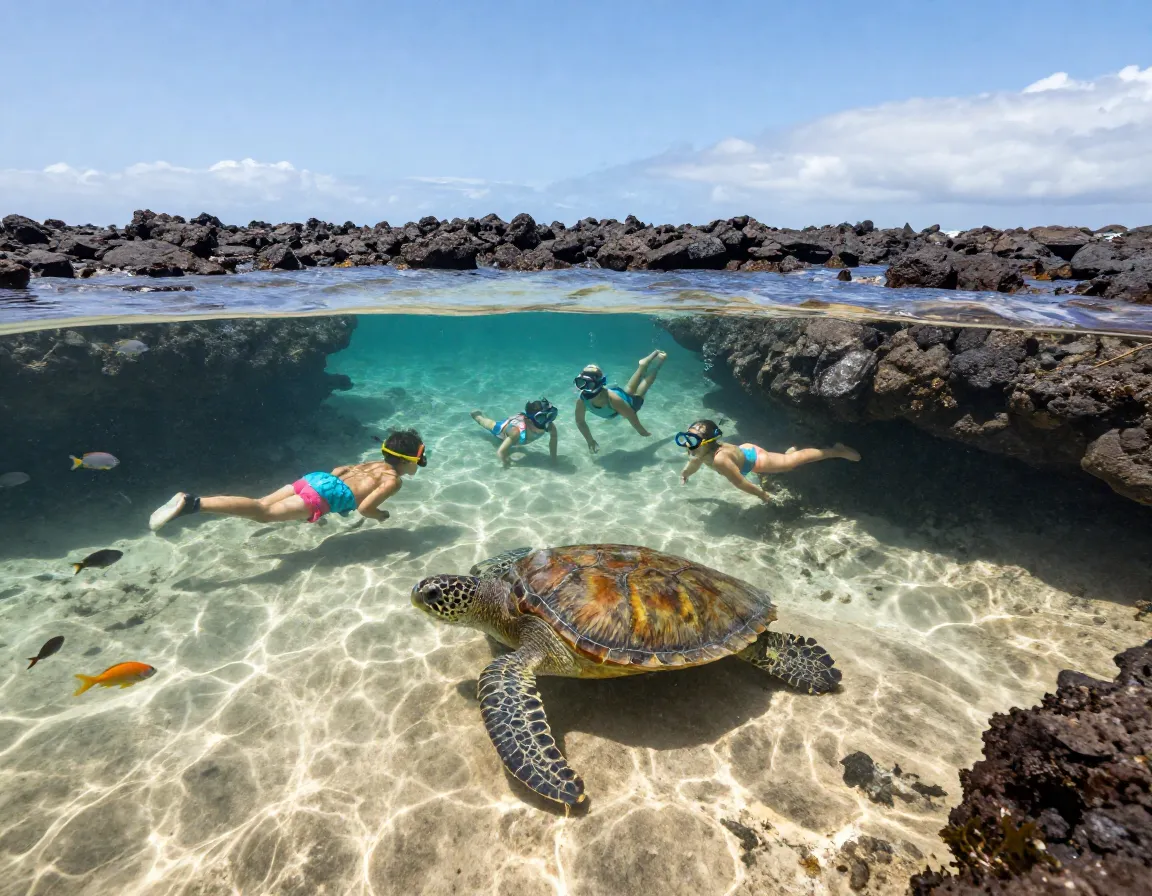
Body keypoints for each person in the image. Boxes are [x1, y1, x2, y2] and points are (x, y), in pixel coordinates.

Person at [148, 429, 428, 531]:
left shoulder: (372, 462)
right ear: (408, 461)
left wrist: (334, 490)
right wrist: (381, 516)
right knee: (263, 514)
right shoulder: (393, 481)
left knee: (260, 503)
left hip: (315, 480)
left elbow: (341, 468)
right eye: (420, 459)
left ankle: (190, 502)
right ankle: (193, 504)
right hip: (322, 495)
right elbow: (366, 508)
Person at [677, 419, 859, 502]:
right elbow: (696, 462)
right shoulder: (700, 451)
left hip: (756, 460)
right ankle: (790, 452)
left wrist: (762, 495)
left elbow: (740, 482)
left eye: (692, 441)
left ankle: (836, 451)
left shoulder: (720, 461)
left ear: (707, 442)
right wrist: (686, 473)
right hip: (745, 451)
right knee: (786, 460)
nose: (687, 445)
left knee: (791, 463)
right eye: (686, 439)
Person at [574, 350, 667, 454]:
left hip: (627, 403)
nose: (584, 389)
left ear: (598, 385)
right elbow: (580, 421)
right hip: (618, 396)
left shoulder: (613, 400)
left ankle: (658, 364)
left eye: (589, 385)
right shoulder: (582, 400)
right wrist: (589, 440)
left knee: (643, 387)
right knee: (629, 389)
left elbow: (631, 415)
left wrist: (641, 431)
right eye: (581, 383)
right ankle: (642, 365)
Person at [470, 399, 559, 467]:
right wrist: (507, 462)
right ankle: (476, 415)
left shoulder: (549, 425)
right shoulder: (516, 432)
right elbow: (500, 452)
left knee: (512, 442)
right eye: (540, 418)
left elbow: (553, 440)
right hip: (502, 430)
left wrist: (553, 459)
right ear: (529, 421)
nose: (547, 422)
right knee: (485, 422)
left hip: (520, 425)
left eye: (550, 416)